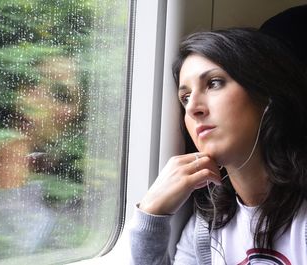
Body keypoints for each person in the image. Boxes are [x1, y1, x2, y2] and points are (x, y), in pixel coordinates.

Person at [129, 27, 307, 264]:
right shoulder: (208, 226)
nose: (192, 108)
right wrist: (151, 214)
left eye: (214, 83)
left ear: (266, 93)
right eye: (185, 98)